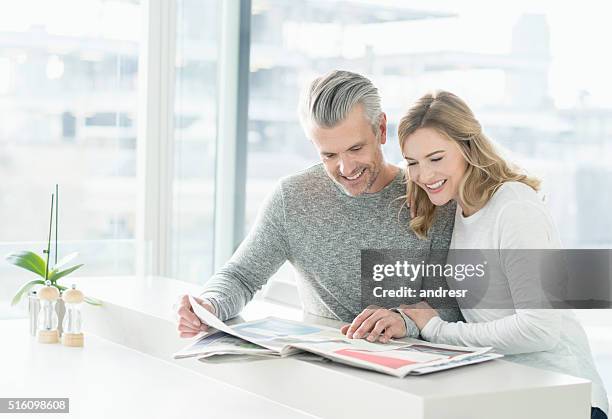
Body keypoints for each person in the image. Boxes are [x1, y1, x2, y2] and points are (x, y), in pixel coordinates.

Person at [175, 70, 464, 343]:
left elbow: (455, 303)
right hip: (321, 370)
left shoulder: (430, 194)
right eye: (328, 155)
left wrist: (406, 322)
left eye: (355, 149)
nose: (345, 168)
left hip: (411, 372)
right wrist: (210, 304)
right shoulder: (293, 198)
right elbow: (240, 276)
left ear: (382, 130)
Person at [395, 90, 607, 418]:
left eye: (436, 159)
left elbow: (539, 328)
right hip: (512, 389)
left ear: (468, 147)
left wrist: (437, 329)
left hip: (564, 396)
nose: (424, 175)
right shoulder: (458, 209)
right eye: (413, 163)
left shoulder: (514, 208)